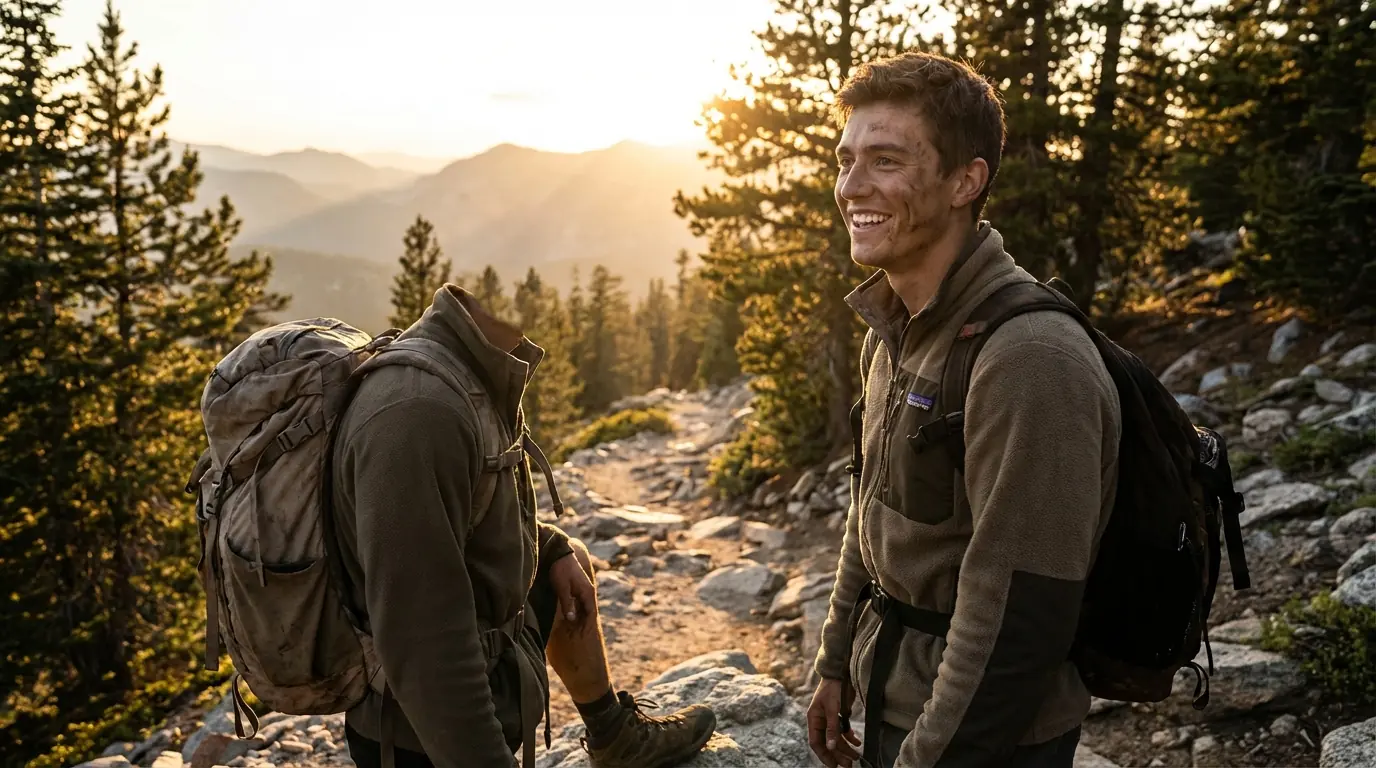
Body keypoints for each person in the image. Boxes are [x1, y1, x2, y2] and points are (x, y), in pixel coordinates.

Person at [806, 52, 1123, 768]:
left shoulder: (1030, 360)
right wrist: (834, 663)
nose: (851, 187)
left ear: (965, 180)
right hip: (899, 708)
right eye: (845, 159)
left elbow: (1016, 625)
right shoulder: (897, 331)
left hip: (989, 743)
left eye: (885, 161)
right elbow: (873, 515)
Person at [329, 284, 717, 768]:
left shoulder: (476, 362)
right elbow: (423, 644)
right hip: (419, 741)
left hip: (472, 681)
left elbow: (470, 517)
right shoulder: (417, 412)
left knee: (565, 552)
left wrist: (550, 550)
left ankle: (613, 736)